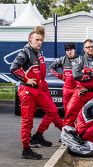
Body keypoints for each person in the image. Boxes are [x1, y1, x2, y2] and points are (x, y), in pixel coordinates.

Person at [10, 27, 62, 160]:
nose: (40, 42)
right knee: (27, 121)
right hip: (27, 91)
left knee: (52, 110)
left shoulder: (38, 52)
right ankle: (26, 150)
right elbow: (14, 68)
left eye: (41, 40)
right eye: (37, 40)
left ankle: (38, 136)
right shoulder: (25, 52)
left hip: (38, 89)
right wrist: (26, 79)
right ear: (30, 40)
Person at [63, 39, 93, 127]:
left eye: (92, 47)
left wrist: (85, 71)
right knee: (70, 112)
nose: (90, 48)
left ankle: (89, 137)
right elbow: (76, 75)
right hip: (81, 92)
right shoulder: (78, 60)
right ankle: (66, 135)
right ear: (84, 49)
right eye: (88, 47)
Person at [49, 43, 80, 114]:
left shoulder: (80, 59)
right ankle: (68, 124)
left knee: (76, 109)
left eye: (71, 50)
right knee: (66, 109)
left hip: (77, 88)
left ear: (74, 50)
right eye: (67, 50)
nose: (69, 52)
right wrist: (60, 76)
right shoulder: (62, 59)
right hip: (67, 88)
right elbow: (51, 67)